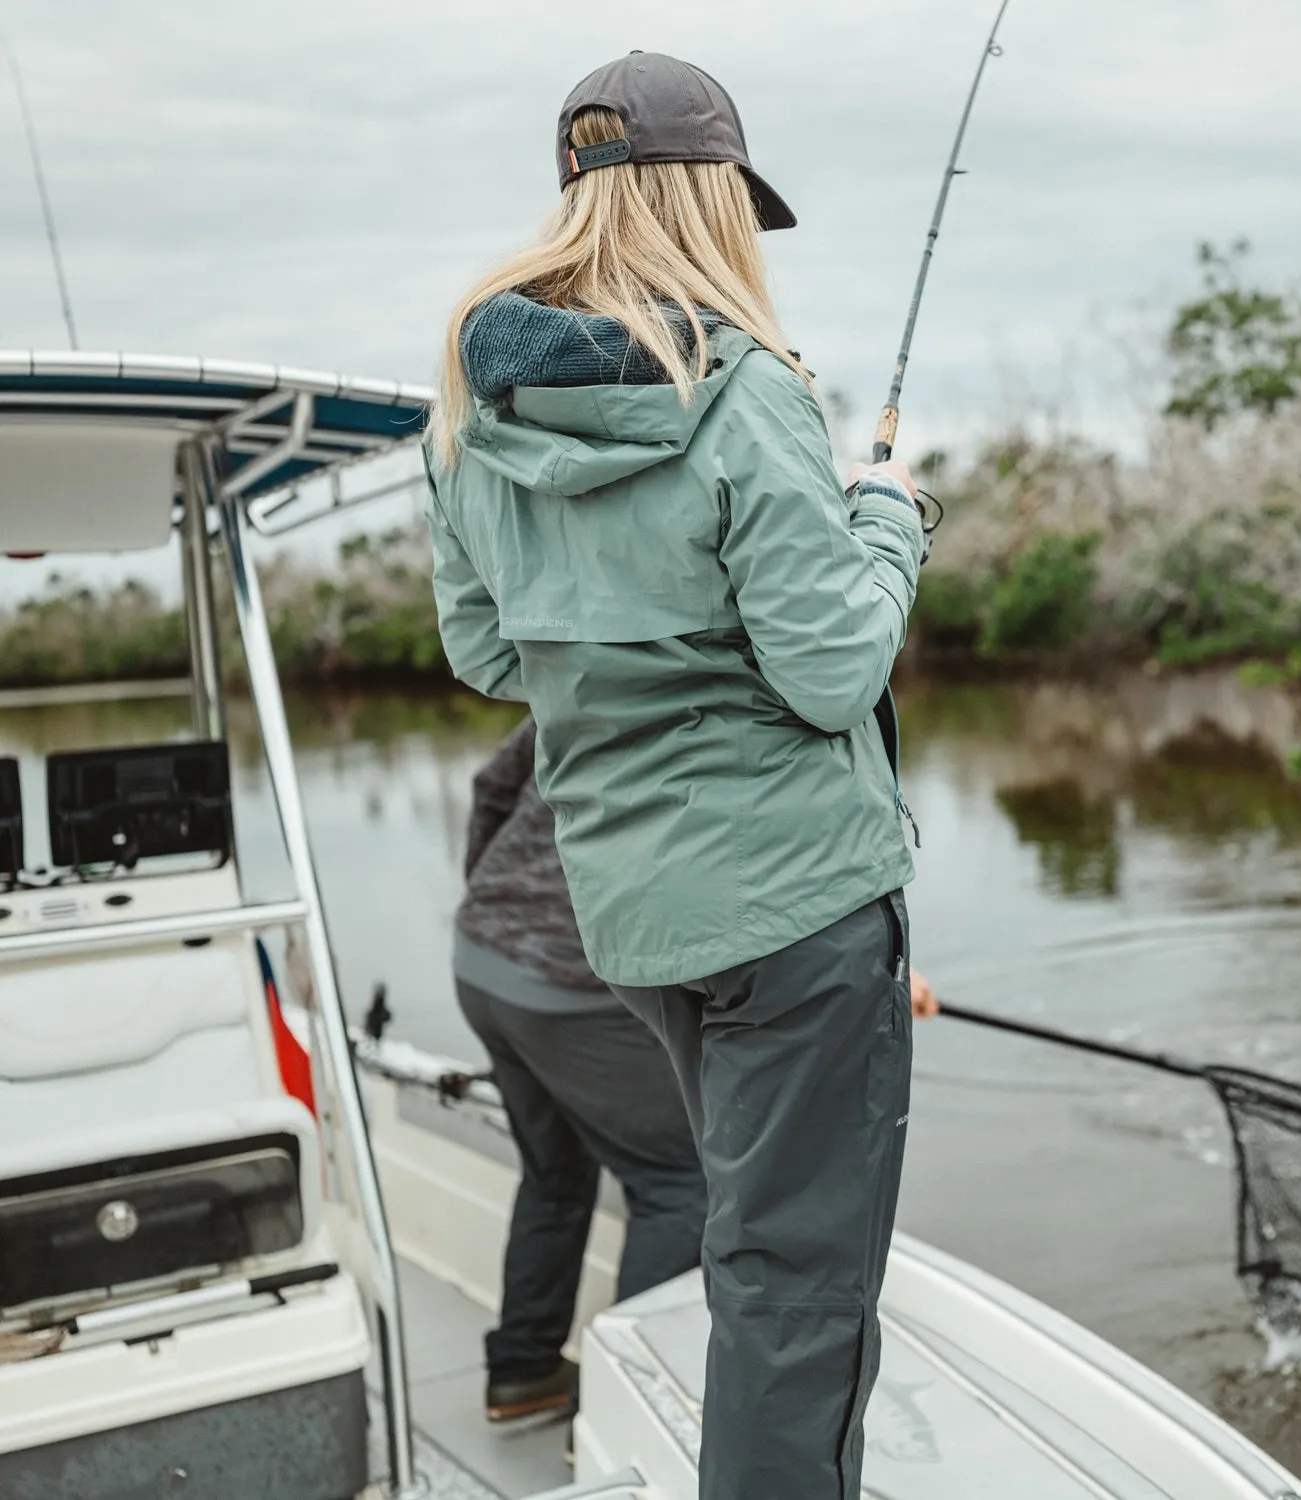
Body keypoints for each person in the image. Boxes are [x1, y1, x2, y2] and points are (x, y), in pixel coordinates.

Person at [425, 51, 926, 1499]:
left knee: (754, 1246)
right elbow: (834, 669)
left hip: (638, 926)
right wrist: (888, 520)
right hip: (801, 918)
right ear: (711, 199)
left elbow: (486, 653)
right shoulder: (746, 386)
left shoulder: (471, 400)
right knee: (799, 1290)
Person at [455, 715, 706, 1422]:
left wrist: (497, 903)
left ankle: (524, 1372)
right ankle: (624, 1414)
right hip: (565, 984)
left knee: (556, 1173)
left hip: (481, 957)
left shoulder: (574, 666)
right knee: (682, 1181)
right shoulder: (707, 693)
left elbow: (491, 786)